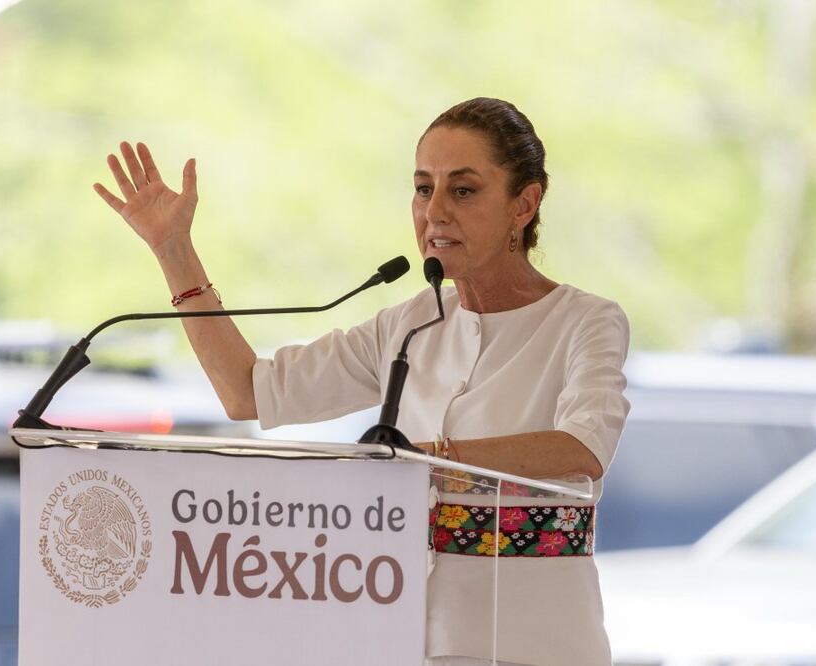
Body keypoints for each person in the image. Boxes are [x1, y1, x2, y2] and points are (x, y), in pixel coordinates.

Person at [94, 97, 630, 665]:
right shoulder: (407, 324)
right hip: (405, 642)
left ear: (525, 203)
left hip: (538, 645)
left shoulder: (584, 321)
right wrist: (174, 251)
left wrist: (423, 460)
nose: (435, 211)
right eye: (423, 188)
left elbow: (581, 448)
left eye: (463, 190)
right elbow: (249, 392)